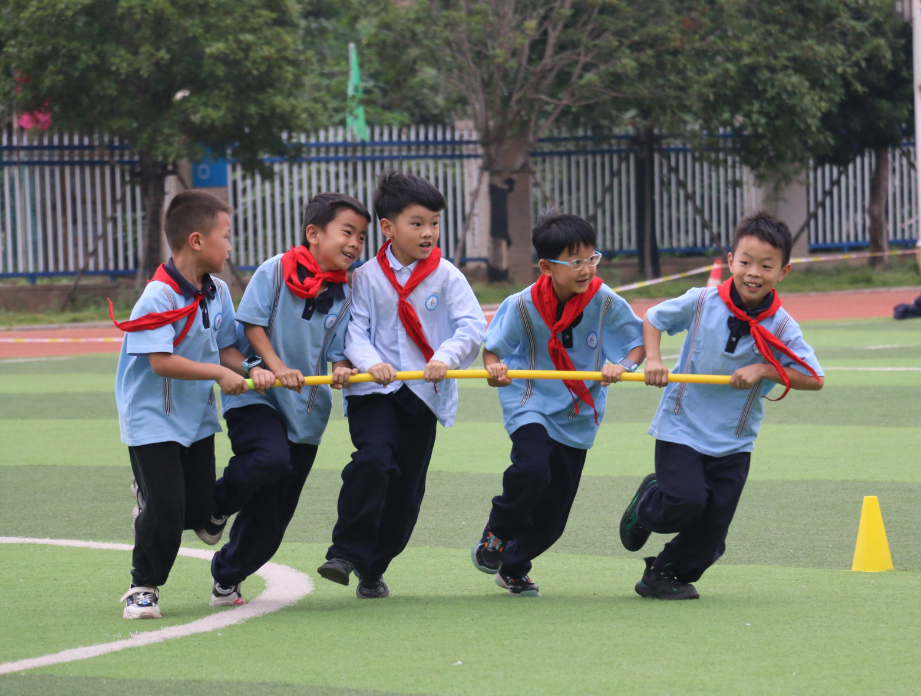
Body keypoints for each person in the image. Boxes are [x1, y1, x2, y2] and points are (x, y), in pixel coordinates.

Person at [618, 211, 824, 600]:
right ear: (730, 261)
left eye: (766, 265)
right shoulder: (701, 301)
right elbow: (652, 320)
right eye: (745, 262)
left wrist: (766, 368)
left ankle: (664, 574)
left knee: (714, 524)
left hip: (735, 437)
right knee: (685, 501)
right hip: (682, 425)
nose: (753, 273)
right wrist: (656, 360)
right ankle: (648, 505)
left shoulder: (782, 326)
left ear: (783, 272)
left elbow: (814, 377)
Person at [318, 170, 486, 598]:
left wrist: (444, 357)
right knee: (374, 460)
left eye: (434, 222)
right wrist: (371, 363)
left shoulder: (447, 276)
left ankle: (374, 568)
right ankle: (343, 553)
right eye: (417, 223)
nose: (428, 232)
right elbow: (353, 329)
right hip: (374, 393)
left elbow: (471, 326)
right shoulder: (364, 277)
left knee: (406, 489)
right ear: (389, 228)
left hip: (422, 394)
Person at [206, 192, 370, 607]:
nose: (355, 244)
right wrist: (275, 367)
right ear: (313, 233)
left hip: (307, 414)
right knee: (268, 458)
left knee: (273, 518)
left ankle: (227, 575)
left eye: (362, 237)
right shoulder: (276, 270)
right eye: (347, 232)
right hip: (257, 396)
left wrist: (343, 367)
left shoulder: (348, 291)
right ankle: (215, 505)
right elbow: (253, 323)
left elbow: (340, 346)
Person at [475, 212, 645, 597]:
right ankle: (496, 534)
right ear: (546, 267)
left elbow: (636, 343)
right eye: (574, 261)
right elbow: (492, 350)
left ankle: (514, 567)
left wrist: (624, 365)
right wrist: (494, 369)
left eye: (590, 258)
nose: (585, 269)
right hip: (530, 399)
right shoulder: (522, 304)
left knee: (553, 522)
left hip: (578, 411)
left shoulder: (604, 301)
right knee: (532, 470)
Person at [112, 190, 254, 619]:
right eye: (225, 236)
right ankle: (144, 587)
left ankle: (161, 500)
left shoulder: (218, 292)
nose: (230, 246)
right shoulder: (158, 296)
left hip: (195, 418)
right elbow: (160, 361)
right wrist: (219, 374)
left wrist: (253, 369)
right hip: (151, 419)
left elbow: (228, 349)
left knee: (197, 510)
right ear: (196, 240)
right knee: (167, 511)